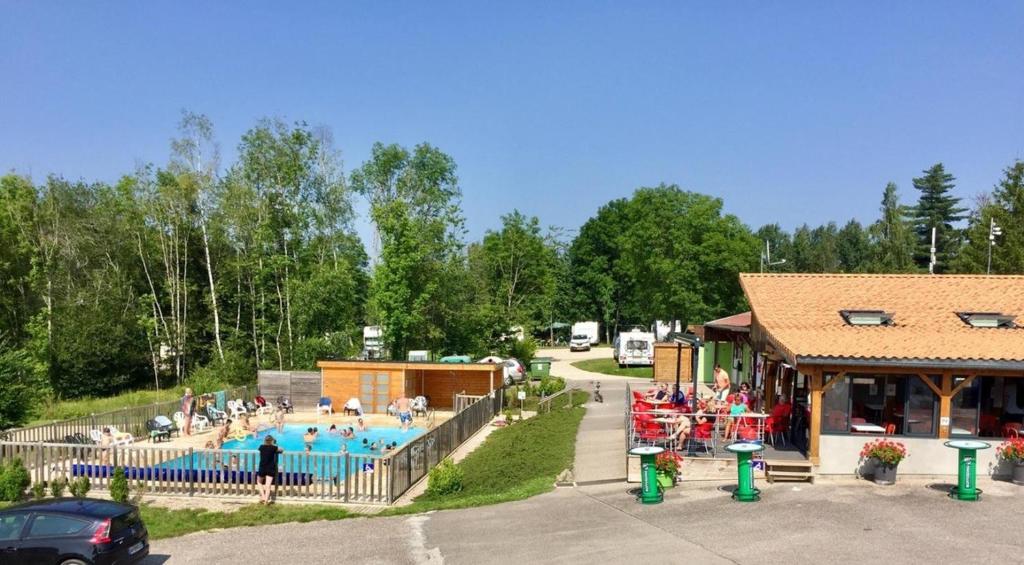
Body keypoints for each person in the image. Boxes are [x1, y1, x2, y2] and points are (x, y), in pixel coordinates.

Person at [257, 435, 282, 504]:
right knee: (268, 485)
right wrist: (274, 444)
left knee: (259, 482)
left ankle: (263, 497)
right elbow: (282, 450)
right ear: (272, 441)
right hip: (271, 467)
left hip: (262, 467)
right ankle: (266, 500)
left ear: (264, 440)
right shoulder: (274, 448)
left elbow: (258, 449)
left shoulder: (261, 447)